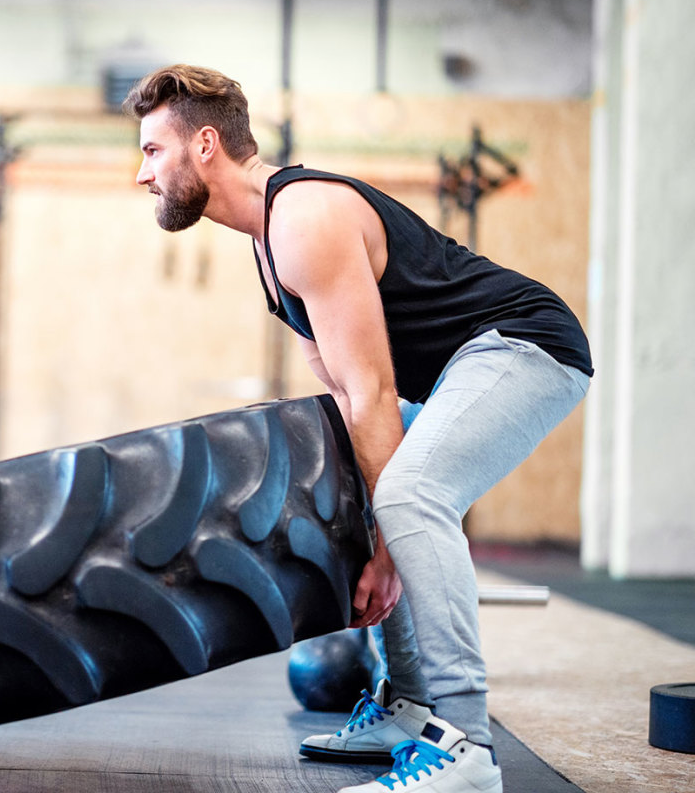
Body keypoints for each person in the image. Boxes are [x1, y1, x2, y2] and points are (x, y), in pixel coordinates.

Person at [123, 64, 592, 793]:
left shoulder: (305, 219)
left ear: (206, 144)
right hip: (451, 374)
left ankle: (466, 745)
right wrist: (365, 530)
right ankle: (409, 707)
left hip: (525, 346)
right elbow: (346, 397)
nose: (141, 173)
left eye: (153, 150)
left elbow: (374, 395)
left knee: (407, 498)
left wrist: (387, 546)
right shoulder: (268, 252)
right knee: (356, 485)